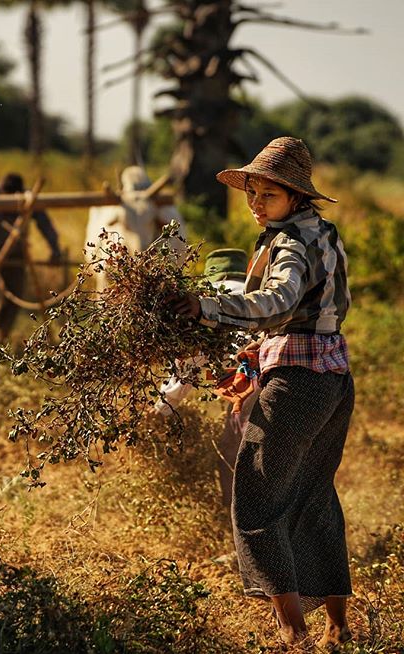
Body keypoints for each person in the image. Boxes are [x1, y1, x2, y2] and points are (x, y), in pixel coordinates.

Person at [171, 137, 354, 648]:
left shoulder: (291, 242)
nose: (256, 204)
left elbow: (278, 303)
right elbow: (303, 316)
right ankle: (337, 630)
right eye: (252, 193)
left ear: (295, 197)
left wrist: (204, 308)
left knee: (255, 500)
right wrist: (253, 359)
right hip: (333, 377)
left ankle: (293, 634)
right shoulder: (323, 232)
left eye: (268, 195)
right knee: (313, 496)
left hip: (299, 384)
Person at [154, 247, 260, 508]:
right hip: (290, 381)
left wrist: (159, 413)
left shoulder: (208, 311)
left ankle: (235, 520)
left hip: (252, 392)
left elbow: (185, 372)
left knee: (232, 455)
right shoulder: (259, 300)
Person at [0, 172, 62, 340]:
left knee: (14, 297)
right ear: (1, 191)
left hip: (18, 257)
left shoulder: (27, 199)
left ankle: (3, 337)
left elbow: (46, 225)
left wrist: (55, 249)